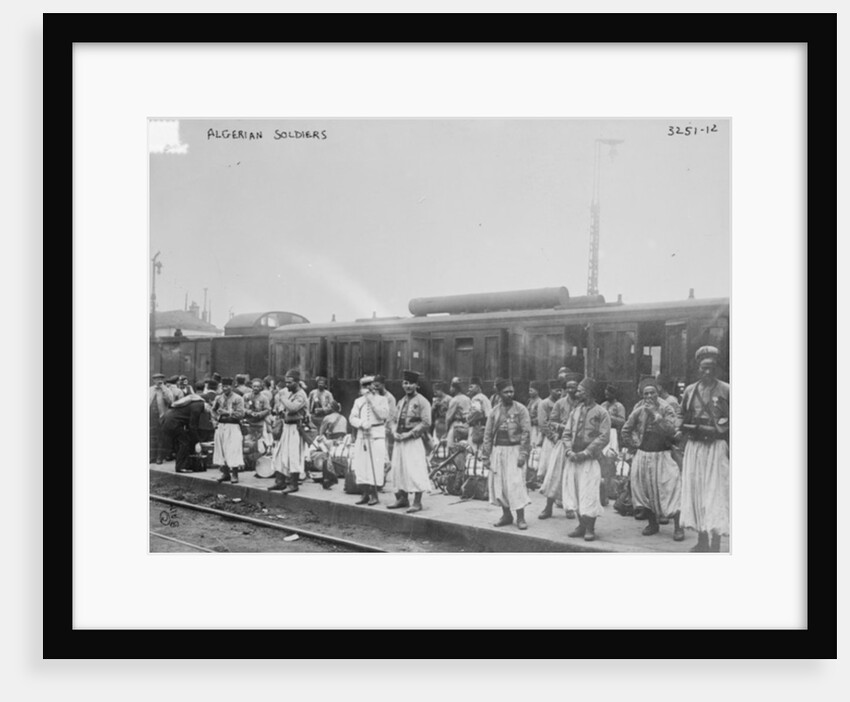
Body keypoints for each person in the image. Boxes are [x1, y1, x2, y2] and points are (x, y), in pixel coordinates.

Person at [678, 346, 729, 552]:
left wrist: (719, 428)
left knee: (715, 493)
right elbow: (682, 414)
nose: (707, 372)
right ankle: (701, 540)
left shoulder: (727, 389)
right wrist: (679, 429)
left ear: (716, 368)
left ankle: (715, 543)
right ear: (698, 369)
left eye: (711, 368)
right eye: (703, 368)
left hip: (716, 446)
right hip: (695, 446)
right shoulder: (690, 390)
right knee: (696, 491)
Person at [621, 377, 684, 541]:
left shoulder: (667, 408)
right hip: (643, 455)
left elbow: (672, 431)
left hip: (663, 454)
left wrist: (657, 416)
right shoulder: (638, 408)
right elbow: (626, 429)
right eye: (645, 393)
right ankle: (652, 523)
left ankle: (678, 527)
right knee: (644, 490)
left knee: (670, 489)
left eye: (652, 393)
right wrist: (635, 445)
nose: (649, 396)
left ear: (658, 393)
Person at [562, 378, 611, 541]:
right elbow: (567, 433)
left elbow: (604, 437)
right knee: (575, 492)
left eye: (580, 391)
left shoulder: (601, 412)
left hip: (590, 460)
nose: (577, 393)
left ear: (589, 393)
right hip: (573, 459)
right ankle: (581, 525)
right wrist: (569, 450)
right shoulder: (575, 411)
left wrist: (586, 452)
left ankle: (590, 528)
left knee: (588, 493)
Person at [482, 378, 532, 530]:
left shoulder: (521, 409)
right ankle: (506, 515)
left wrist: (523, 453)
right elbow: (488, 434)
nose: (510, 394)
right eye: (506, 392)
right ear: (499, 393)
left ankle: (521, 517)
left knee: (515, 483)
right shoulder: (494, 411)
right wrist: (486, 455)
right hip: (499, 451)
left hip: (515, 450)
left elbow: (526, 432)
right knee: (500, 484)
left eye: (511, 391)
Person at [387, 370, 433, 513]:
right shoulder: (401, 401)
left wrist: (409, 434)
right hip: (399, 440)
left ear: (417, 385)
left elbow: (426, 422)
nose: (408, 386)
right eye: (405, 383)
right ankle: (402, 498)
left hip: (413, 440)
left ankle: (417, 502)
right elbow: (393, 420)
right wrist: (394, 431)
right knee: (399, 469)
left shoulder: (422, 401)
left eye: (411, 383)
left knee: (414, 470)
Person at [538, 376, 580, 519]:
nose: (570, 390)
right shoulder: (560, 403)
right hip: (563, 443)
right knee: (555, 475)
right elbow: (551, 422)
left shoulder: (583, 403)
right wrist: (564, 427)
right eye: (568, 387)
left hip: (578, 446)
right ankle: (548, 507)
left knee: (573, 477)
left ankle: (570, 508)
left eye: (573, 387)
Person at [349, 375, 389, 505]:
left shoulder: (382, 400)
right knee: (362, 465)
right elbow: (352, 417)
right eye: (364, 386)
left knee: (375, 466)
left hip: (376, 435)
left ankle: (374, 494)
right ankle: (364, 493)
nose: (366, 389)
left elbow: (383, 415)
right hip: (362, 435)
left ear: (374, 386)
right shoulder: (358, 401)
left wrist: (371, 401)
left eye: (369, 385)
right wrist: (360, 423)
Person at [268, 369, 310, 492]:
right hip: (286, 427)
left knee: (293, 456)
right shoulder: (289, 393)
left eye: (290, 382)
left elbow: (292, 408)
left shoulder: (301, 395)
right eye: (286, 382)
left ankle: (294, 484)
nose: (287, 385)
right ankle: (280, 482)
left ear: (297, 382)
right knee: (280, 454)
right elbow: (281, 408)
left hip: (296, 428)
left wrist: (282, 398)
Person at [161, 382, 207, 473]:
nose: (208, 412)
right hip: (173, 423)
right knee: (184, 442)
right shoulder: (198, 406)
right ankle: (180, 467)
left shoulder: (194, 402)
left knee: (182, 442)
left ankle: (183, 465)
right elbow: (193, 426)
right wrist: (197, 442)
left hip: (167, 420)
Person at [211, 377, 246, 483]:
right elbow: (213, 410)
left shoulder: (238, 398)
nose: (225, 388)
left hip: (233, 426)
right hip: (221, 426)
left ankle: (234, 474)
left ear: (232, 386)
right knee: (221, 450)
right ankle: (225, 473)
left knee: (233, 449)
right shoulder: (218, 398)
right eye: (223, 386)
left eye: (227, 386)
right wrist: (214, 420)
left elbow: (241, 414)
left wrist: (227, 412)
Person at [310, 401, 349, 489]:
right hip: (342, 442)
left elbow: (321, 433)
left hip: (331, 442)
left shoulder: (327, 418)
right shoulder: (343, 418)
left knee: (318, 445)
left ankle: (327, 478)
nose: (326, 408)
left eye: (327, 407)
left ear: (331, 408)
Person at [243, 378, 272, 474]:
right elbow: (242, 407)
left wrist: (260, 414)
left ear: (261, 388)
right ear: (251, 386)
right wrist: (249, 412)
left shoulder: (264, 398)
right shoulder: (246, 396)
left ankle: (257, 465)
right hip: (248, 423)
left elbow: (268, 409)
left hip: (259, 424)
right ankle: (247, 464)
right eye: (254, 386)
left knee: (259, 445)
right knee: (247, 444)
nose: (255, 388)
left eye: (258, 387)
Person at [149, 373, 173, 464]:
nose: (158, 381)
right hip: (151, 416)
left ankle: (159, 457)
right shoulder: (150, 389)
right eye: (156, 379)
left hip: (161, 416)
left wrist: (163, 389)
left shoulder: (167, 390)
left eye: (160, 379)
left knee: (161, 437)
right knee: (151, 437)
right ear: (153, 380)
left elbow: (170, 401)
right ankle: (152, 456)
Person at [467, 376, 492, 450]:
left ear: (478, 387)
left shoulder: (476, 398)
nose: (469, 389)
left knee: (474, 450)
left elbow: (477, 411)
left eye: (471, 387)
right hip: (485, 427)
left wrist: (468, 419)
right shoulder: (485, 398)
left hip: (477, 428)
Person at [445, 378, 471, 450]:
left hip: (456, 425)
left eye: (451, 387)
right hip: (466, 425)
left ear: (455, 388)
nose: (450, 389)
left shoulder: (454, 400)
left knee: (451, 446)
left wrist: (446, 431)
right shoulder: (467, 398)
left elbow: (448, 418)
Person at [526, 382, 543, 448]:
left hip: (535, 428)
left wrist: (531, 421)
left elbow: (540, 417)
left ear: (537, 391)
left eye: (531, 390)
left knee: (534, 445)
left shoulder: (540, 402)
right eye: (529, 390)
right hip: (529, 427)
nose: (530, 392)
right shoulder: (529, 401)